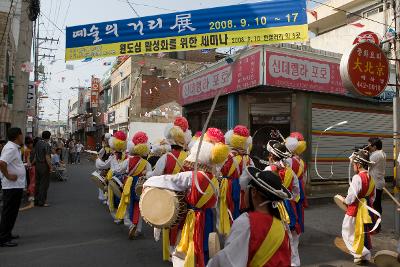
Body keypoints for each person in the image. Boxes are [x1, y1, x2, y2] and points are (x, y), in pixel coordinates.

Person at [144, 128, 229, 267]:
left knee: (187, 247)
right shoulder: (215, 180)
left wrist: (148, 182)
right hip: (208, 218)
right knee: (204, 245)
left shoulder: (192, 176)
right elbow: (216, 205)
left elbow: (168, 180)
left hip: (194, 218)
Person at [207, 167, 291, 267]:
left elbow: (228, 261)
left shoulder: (247, 222)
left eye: (246, 190)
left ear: (254, 192)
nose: (244, 194)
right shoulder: (281, 225)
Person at [147, 117, 191, 261]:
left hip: (169, 197)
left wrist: (148, 175)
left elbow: (155, 175)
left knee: (169, 223)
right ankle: (179, 248)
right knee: (181, 224)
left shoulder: (166, 157)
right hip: (185, 197)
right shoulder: (189, 157)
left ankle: (171, 251)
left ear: (170, 141)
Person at [265, 140, 301, 267]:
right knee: (291, 236)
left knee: (273, 236)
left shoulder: (268, 169)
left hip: (273, 206)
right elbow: (296, 192)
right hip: (288, 206)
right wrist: (289, 200)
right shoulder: (290, 172)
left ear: (271, 156)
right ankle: (293, 263)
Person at [218, 125, 254, 236]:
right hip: (242, 187)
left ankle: (228, 232)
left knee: (227, 209)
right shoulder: (248, 158)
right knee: (241, 209)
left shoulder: (226, 156)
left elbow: (218, 171)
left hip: (227, 186)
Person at [342, 149, 376, 265]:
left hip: (355, 209)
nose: (353, 167)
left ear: (358, 164)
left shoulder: (357, 178)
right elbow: (372, 196)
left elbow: (351, 197)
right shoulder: (371, 177)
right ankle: (363, 255)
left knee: (347, 232)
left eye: (354, 164)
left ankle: (361, 253)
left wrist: (345, 200)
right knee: (361, 232)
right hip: (366, 209)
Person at [116, 131, 152, 239]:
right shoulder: (146, 163)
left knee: (127, 205)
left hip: (128, 184)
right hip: (140, 185)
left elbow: (118, 170)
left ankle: (130, 224)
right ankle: (138, 228)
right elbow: (150, 175)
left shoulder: (128, 160)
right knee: (138, 206)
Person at [285, 132, 308, 267]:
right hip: (298, 193)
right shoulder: (302, 162)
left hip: (289, 194)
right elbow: (303, 179)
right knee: (297, 220)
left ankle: (292, 258)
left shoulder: (287, 161)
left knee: (289, 224)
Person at [0, 128, 26, 247]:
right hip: (11, 186)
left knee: (12, 212)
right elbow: (2, 163)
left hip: (15, 185)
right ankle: (3, 238)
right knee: (9, 212)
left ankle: (7, 233)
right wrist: (8, 175)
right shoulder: (10, 148)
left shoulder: (14, 147)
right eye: (21, 134)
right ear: (17, 136)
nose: (23, 136)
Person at [96, 131, 128, 221]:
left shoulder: (113, 157)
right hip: (124, 180)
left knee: (114, 198)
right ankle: (123, 216)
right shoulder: (127, 157)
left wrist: (98, 160)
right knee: (122, 199)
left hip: (114, 179)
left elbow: (103, 165)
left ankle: (119, 217)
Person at [368, 137, 386, 232]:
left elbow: (366, 165)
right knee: (377, 205)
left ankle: (375, 226)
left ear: (374, 147)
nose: (368, 147)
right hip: (379, 182)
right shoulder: (382, 153)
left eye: (369, 145)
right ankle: (377, 226)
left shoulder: (375, 155)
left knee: (374, 205)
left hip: (375, 183)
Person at [33, 131, 52, 207]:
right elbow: (47, 157)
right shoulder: (46, 145)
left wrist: (32, 163)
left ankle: (36, 200)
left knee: (37, 183)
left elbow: (35, 155)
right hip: (44, 165)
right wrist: (50, 166)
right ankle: (42, 201)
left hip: (37, 165)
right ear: (49, 137)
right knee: (44, 184)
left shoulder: (37, 143)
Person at [20, 137, 35, 210]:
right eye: (29, 143)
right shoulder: (28, 151)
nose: (31, 145)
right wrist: (30, 164)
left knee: (30, 181)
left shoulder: (26, 150)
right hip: (31, 168)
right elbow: (28, 159)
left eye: (31, 143)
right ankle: (31, 199)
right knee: (32, 182)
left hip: (29, 168)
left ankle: (30, 195)